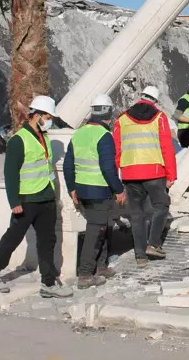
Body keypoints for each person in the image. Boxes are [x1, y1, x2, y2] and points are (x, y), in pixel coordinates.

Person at [0, 95, 73, 298]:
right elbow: (11, 173)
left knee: (47, 241)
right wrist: (14, 201)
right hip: (27, 199)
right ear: (37, 115)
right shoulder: (19, 140)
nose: (50, 121)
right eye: (48, 116)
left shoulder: (44, 138)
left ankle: (48, 282)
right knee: (13, 237)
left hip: (46, 197)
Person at [63, 94, 125, 289]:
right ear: (108, 113)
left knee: (103, 226)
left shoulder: (79, 133)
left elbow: (67, 165)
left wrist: (72, 188)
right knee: (95, 231)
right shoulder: (104, 136)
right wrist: (119, 189)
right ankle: (85, 274)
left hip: (83, 190)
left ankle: (101, 266)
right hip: (99, 191)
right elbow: (108, 168)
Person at [113, 86, 176, 265]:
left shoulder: (122, 119)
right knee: (162, 206)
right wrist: (171, 175)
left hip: (130, 173)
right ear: (155, 101)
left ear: (140, 97)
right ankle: (153, 244)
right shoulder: (159, 118)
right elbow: (167, 148)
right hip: (154, 172)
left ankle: (140, 255)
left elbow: (116, 149)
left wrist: (119, 175)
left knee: (136, 215)